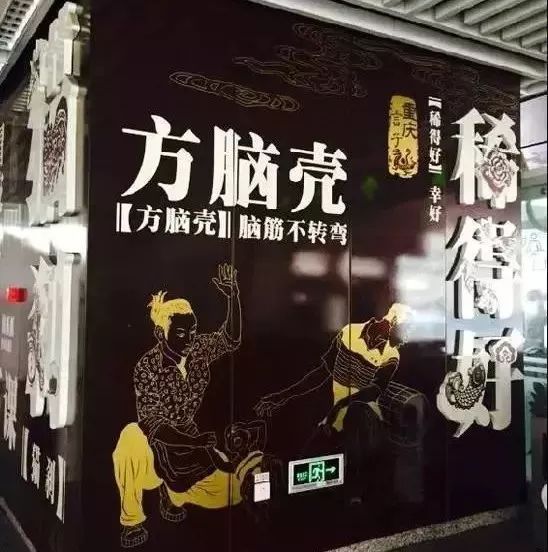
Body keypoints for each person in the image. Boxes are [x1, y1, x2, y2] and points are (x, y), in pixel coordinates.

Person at [113, 264, 241, 548]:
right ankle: (132, 520)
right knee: (129, 439)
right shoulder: (147, 367)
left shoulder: (197, 350)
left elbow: (230, 339)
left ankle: (174, 493)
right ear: (161, 334)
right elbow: (154, 426)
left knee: (234, 491)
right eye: (181, 333)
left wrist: (233, 297)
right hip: (155, 445)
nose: (190, 339)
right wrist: (198, 442)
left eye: (192, 331)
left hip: (188, 444)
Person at [254, 303, 412, 502]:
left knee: (356, 421)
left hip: (362, 417)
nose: (409, 336)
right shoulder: (349, 332)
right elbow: (321, 373)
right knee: (305, 471)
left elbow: (374, 391)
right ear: (394, 322)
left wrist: (341, 406)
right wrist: (281, 397)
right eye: (408, 328)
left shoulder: (391, 355)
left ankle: (356, 496)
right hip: (336, 416)